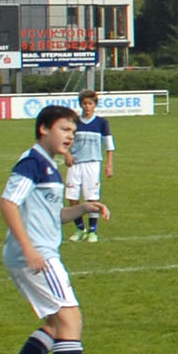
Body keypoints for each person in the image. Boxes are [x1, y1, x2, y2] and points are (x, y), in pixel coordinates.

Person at [0, 105, 110, 354]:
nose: (70, 136)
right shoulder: (32, 163)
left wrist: (84, 208)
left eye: (73, 131)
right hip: (37, 255)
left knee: (56, 324)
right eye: (64, 129)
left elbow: (52, 215)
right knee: (71, 319)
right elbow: (7, 203)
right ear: (44, 129)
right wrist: (29, 248)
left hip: (35, 253)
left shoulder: (49, 165)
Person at [65, 89, 116, 242]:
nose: (87, 106)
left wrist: (109, 165)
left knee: (92, 198)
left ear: (95, 105)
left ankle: (93, 231)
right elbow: (66, 140)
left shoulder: (102, 123)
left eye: (90, 103)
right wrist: (67, 154)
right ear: (81, 105)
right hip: (75, 164)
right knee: (72, 197)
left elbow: (109, 146)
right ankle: (80, 229)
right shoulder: (75, 122)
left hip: (92, 164)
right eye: (85, 103)